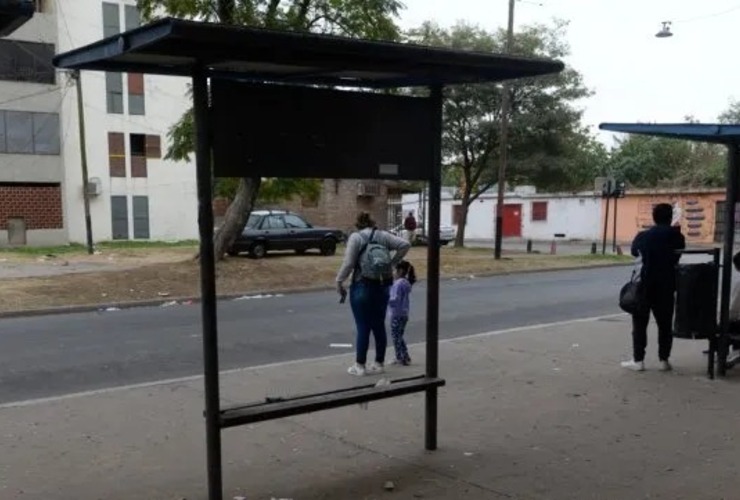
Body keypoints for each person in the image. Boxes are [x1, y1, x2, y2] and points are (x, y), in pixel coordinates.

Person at [336, 212, 410, 376]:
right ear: (372, 223)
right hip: (383, 284)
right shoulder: (383, 236)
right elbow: (405, 244)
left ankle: (360, 365)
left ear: (358, 225)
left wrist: (339, 281)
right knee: (378, 325)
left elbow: (348, 263)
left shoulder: (356, 238)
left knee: (363, 326)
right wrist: (392, 263)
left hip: (362, 283)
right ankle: (378, 363)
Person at [622, 203, 686, 372]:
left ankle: (638, 361)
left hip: (644, 285)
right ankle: (664, 360)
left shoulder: (643, 236)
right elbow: (679, 252)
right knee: (665, 325)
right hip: (666, 285)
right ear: (670, 217)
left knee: (639, 324)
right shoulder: (677, 237)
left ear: (654, 217)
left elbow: (635, 253)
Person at [389, 260, 416, 366]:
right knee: (399, 335)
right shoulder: (406, 283)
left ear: (400, 271)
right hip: (404, 313)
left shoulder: (398, 284)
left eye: (395, 271)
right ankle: (404, 356)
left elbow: (394, 299)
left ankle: (400, 357)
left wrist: (385, 299)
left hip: (396, 313)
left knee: (396, 336)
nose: (393, 273)